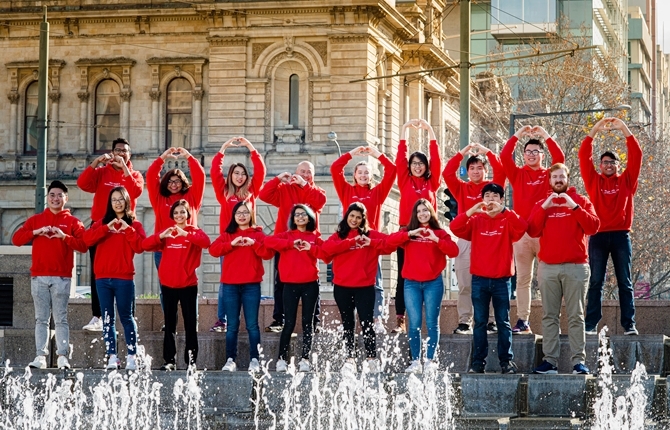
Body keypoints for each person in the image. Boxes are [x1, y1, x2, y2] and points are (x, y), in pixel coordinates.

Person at [527, 164, 600, 375]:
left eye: (562, 176)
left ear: (568, 178)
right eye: (555, 177)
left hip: (576, 267)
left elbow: (593, 227)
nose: (558, 180)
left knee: (576, 315)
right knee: (549, 316)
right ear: (549, 181)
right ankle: (550, 361)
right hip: (548, 267)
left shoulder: (581, 201)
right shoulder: (542, 203)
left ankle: (578, 362)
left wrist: (574, 207)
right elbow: (532, 230)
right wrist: (544, 207)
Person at [450, 184, 527, 374]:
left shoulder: (507, 219)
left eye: (495, 196)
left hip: (502, 280)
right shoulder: (476, 220)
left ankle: (506, 362)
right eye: (487, 195)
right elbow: (455, 227)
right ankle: (478, 362)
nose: (491, 199)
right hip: (479, 279)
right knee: (480, 322)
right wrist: (471, 210)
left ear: (501, 199)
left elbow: (523, 227)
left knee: (503, 321)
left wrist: (506, 211)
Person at [12, 180, 87, 370]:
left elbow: (83, 245)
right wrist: (36, 232)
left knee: (61, 318)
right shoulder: (36, 220)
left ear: (66, 198)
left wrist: (64, 236)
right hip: (39, 277)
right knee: (41, 319)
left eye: (59, 195)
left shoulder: (73, 222)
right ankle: (40, 356)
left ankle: (62, 356)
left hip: (61, 277)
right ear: (47, 198)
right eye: (52, 195)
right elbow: (17, 240)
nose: (55, 198)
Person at [321, 202, 403, 373]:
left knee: (367, 323)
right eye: (352, 216)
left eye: (358, 217)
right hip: (342, 287)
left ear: (363, 219)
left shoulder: (370, 235)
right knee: (348, 323)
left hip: (365, 287)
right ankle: (349, 358)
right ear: (347, 216)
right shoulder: (339, 235)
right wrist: (350, 243)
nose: (354, 220)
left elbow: (390, 244)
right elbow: (325, 251)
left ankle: (372, 359)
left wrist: (370, 242)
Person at [579, 118, 642, 336]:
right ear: (600, 165)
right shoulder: (593, 181)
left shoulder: (627, 181)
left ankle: (629, 324)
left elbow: (637, 155)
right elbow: (583, 155)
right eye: (605, 162)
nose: (608, 165)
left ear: (618, 166)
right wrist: (595, 129)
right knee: (595, 281)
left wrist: (624, 128)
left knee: (625, 281)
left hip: (621, 236)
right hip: (597, 236)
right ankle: (590, 324)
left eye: (612, 163)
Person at [501, 125, 565, 335]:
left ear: (542, 155)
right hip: (522, 234)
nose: (531, 155)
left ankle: (552, 318)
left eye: (535, 152)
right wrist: (518, 134)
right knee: (523, 279)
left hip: (546, 233)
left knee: (547, 278)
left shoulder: (549, 174)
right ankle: (522, 320)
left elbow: (560, 157)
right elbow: (504, 155)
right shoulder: (518, 174)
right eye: (527, 152)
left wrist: (545, 135)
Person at [77, 137, 144, 332]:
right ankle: (97, 316)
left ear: (129, 154)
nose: (121, 153)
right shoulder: (101, 172)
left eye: (125, 150)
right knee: (97, 271)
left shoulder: (134, 174)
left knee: (127, 271)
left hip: (124, 227)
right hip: (102, 227)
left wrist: (124, 168)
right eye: (118, 150)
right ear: (112, 152)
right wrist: (96, 162)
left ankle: (130, 314)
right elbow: (82, 184)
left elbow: (136, 191)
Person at [330, 144, 396, 333]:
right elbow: (335, 168)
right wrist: (351, 153)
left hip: (369, 243)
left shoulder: (376, 193)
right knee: (346, 281)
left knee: (376, 281)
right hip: (348, 243)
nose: (364, 175)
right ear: (355, 175)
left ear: (371, 176)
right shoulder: (346, 191)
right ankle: (348, 321)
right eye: (360, 172)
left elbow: (392, 170)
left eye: (367, 173)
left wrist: (376, 154)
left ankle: (377, 319)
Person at [442, 142, 506, 335]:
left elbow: (501, 170)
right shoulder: (461, 188)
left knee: (493, 282)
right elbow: (447, 173)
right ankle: (464, 321)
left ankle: (492, 321)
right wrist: (463, 151)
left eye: (480, 167)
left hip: (491, 239)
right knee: (464, 283)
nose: (476, 171)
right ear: (467, 171)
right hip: (467, 240)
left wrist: (487, 152)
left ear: (485, 171)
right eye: (472, 168)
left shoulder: (493, 189)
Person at [391, 199, 458, 374]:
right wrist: (409, 234)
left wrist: (436, 239)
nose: (422, 214)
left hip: (433, 283)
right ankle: (415, 361)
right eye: (419, 211)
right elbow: (390, 242)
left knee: (432, 322)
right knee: (414, 324)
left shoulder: (440, 233)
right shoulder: (408, 232)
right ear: (415, 214)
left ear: (431, 212)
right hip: (411, 284)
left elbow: (454, 251)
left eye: (425, 210)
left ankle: (429, 360)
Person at [142, 200, 211, 370]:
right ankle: (169, 361)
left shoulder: (194, 232)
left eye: (182, 212)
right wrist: (161, 236)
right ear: (172, 216)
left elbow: (206, 242)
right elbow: (145, 245)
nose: (179, 215)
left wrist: (186, 234)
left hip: (188, 284)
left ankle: (191, 362)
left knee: (190, 324)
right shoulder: (167, 233)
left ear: (188, 214)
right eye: (176, 213)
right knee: (169, 324)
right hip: (168, 285)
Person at [83, 187, 146, 370]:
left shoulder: (134, 225)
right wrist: (105, 228)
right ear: (110, 203)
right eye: (114, 200)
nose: (117, 203)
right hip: (102, 279)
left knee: (127, 317)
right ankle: (112, 356)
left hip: (124, 278)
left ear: (127, 201)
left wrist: (127, 230)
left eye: (120, 199)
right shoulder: (101, 223)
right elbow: (87, 240)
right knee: (108, 319)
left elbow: (140, 246)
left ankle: (132, 356)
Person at [259, 160, 326, 333]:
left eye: (308, 172)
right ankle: (278, 320)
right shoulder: (285, 189)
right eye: (302, 171)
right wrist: (278, 179)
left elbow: (320, 202)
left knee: (313, 282)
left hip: (309, 244)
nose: (305, 175)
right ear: (295, 172)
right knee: (280, 282)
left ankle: (315, 322)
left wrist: (305, 185)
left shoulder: (316, 191)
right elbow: (264, 195)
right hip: (286, 244)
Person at [210, 136, 266, 334]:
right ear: (231, 176)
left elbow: (260, 171)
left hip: (249, 242)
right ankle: (221, 320)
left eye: (243, 173)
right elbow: (214, 172)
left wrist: (250, 147)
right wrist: (223, 148)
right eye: (236, 173)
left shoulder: (252, 192)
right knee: (226, 282)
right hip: (229, 242)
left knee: (248, 281)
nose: (240, 177)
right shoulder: (223, 193)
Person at [209, 201, 274, 372]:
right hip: (230, 286)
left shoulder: (258, 234)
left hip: (251, 285)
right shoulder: (228, 234)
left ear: (251, 215)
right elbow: (214, 250)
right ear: (234, 216)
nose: (242, 215)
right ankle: (230, 359)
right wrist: (231, 244)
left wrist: (254, 244)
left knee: (252, 324)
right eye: (238, 212)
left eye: (245, 212)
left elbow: (268, 254)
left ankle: (255, 359)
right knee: (232, 325)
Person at [146, 146, 205, 330]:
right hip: (163, 250)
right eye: (170, 181)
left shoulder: (191, 197)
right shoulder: (159, 199)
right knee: (165, 288)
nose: (173, 184)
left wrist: (188, 157)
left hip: (187, 248)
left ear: (183, 182)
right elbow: (150, 176)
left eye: (177, 180)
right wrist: (163, 157)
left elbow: (201, 176)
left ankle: (192, 320)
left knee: (190, 288)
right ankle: (169, 320)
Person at [393, 118, 442, 333]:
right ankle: (400, 319)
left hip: (429, 235)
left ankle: (428, 317)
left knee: (431, 273)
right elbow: (399, 158)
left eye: (421, 163)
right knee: (403, 276)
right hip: (407, 232)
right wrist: (404, 129)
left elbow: (437, 159)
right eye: (414, 163)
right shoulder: (404, 181)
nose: (418, 166)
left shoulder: (433, 183)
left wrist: (429, 130)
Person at [265, 204, 325, 372]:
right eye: (297, 214)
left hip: (310, 285)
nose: (300, 217)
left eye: (304, 214)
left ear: (310, 217)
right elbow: (269, 241)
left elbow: (326, 254)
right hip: (289, 285)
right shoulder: (285, 236)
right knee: (288, 323)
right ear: (292, 218)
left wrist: (310, 248)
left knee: (308, 323)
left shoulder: (314, 237)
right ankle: (281, 359)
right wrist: (291, 244)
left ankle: (305, 359)